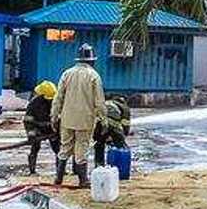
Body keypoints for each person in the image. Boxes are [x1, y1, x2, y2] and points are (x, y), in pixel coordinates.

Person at [51, 43, 106, 188]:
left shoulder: (67, 73)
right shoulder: (94, 76)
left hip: (67, 118)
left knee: (65, 147)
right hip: (85, 119)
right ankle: (83, 180)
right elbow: (99, 101)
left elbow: (58, 97)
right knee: (82, 148)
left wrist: (54, 115)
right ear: (92, 60)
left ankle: (58, 178)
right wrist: (103, 119)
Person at [24, 80, 60, 175]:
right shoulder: (34, 104)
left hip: (52, 128)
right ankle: (32, 171)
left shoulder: (57, 102)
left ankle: (60, 172)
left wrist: (58, 131)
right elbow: (28, 120)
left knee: (58, 150)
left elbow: (61, 118)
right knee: (35, 147)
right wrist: (31, 133)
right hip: (37, 128)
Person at [93, 95, 130, 167]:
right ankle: (119, 165)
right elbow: (125, 124)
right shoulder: (125, 107)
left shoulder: (107, 102)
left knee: (99, 144)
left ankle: (99, 165)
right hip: (113, 126)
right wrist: (124, 134)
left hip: (99, 124)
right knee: (120, 145)